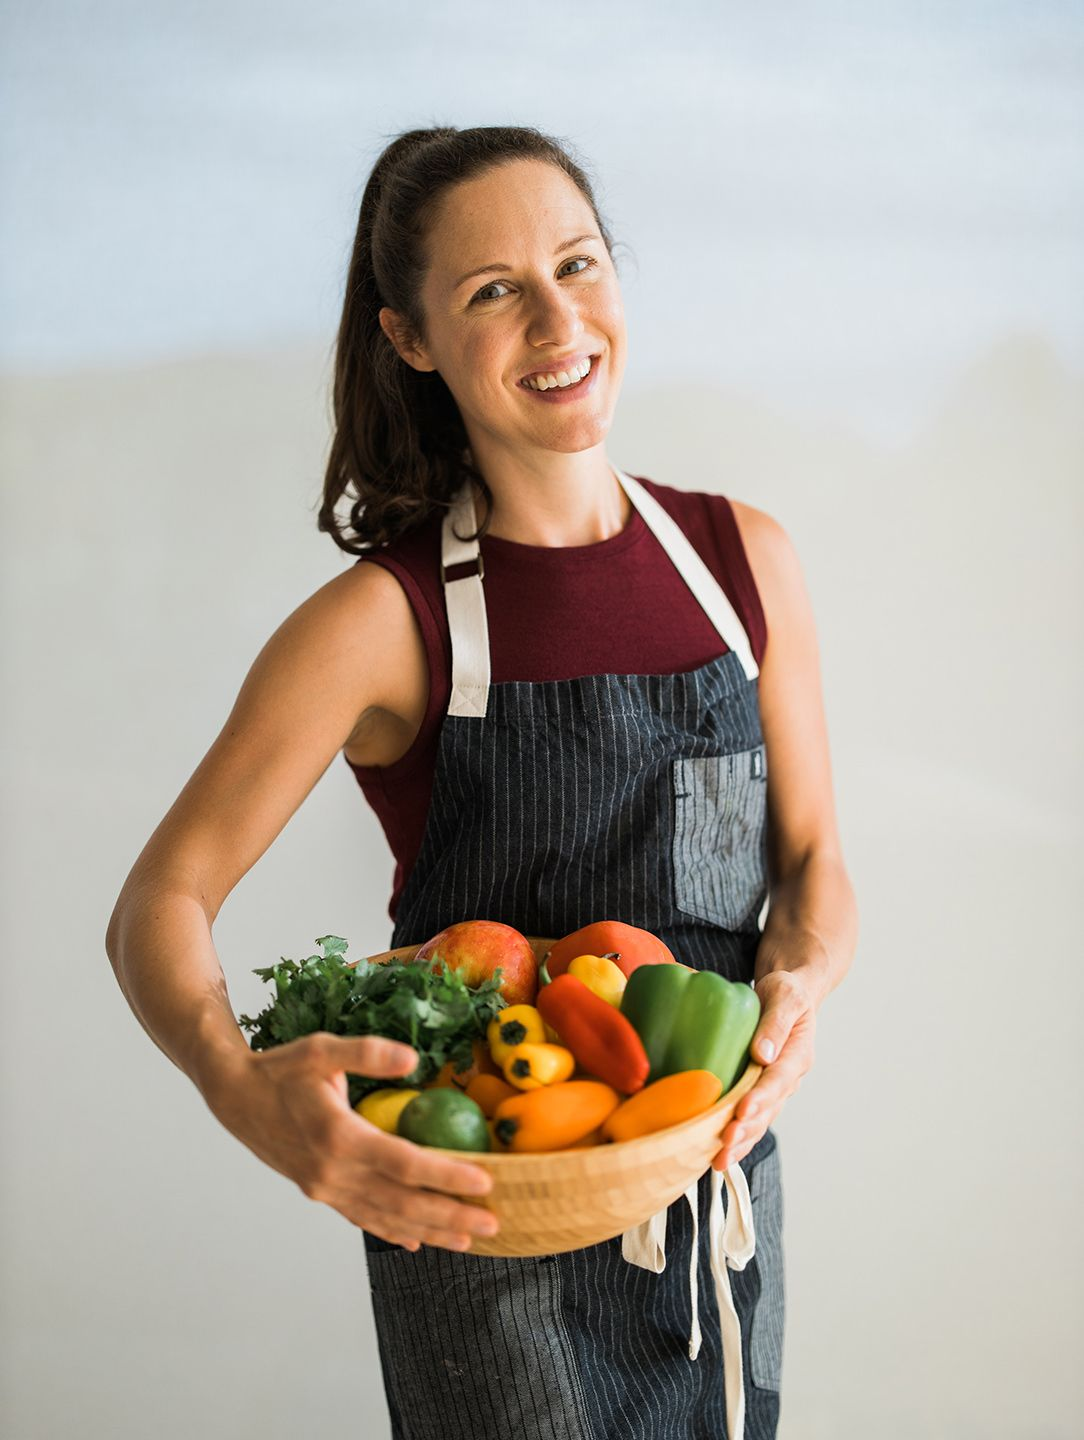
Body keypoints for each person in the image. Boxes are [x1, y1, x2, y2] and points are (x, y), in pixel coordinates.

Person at [106, 125, 858, 1440]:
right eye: (494, 290)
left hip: (714, 1194)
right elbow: (157, 904)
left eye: (577, 264)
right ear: (410, 338)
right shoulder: (382, 623)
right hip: (482, 1221)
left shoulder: (746, 563)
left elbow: (813, 866)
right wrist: (244, 1092)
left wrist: (799, 980)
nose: (559, 322)